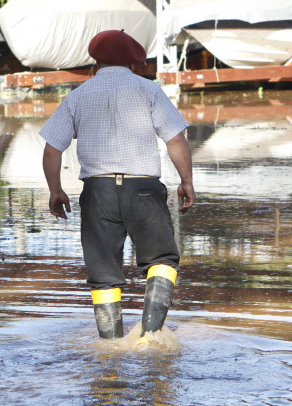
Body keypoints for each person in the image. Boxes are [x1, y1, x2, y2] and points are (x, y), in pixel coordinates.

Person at [39, 29, 195, 341]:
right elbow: (175, 139)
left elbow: (52, 149)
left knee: (103, 273)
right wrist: (186, 181)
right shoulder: (149, 91)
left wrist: (56, 190)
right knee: (162, 260)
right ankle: (151, 338)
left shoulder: (78, 95)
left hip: (99, 193)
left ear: (94, 63)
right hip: (144, 190)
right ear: (134, 65)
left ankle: (111, 351)